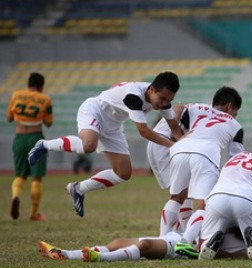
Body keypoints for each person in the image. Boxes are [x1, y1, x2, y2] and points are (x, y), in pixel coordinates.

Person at [27, 72, 183, 217]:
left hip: (113, 125)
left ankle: (79, 189)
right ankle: (45, 145)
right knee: (89, 146)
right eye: (162, 98)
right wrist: (173, 145)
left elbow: (174, 127)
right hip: (95, 111)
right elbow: (144, 131)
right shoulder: (134, 95)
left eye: (168, 100)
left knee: (123, 173)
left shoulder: (163, 101)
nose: (164, 103)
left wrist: (185, 143)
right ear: (151, 89)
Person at [162, 86, 244, 237]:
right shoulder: (235, 125)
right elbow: (236, 157)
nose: (235, 116)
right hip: (206, 153)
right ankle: (187, 242)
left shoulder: (195, 107)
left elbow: (176, 117)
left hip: (180, 149)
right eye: (235, 112)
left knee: (177, 197)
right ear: (230, 106)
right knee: (204, 203)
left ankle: (164, 238)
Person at [6, 72, 53, 221]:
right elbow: (48, 122)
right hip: (35, 138)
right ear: (41, 86)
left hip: (19, 137)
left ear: (28, 84)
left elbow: (9, 118)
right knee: (36, 178)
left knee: (20, 175)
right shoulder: (45, 99)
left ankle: (15, 196)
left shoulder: (16, 95)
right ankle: (34, 213)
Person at [146, 105, 193, 235]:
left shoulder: (198, 110)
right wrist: (177, 135)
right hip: (163, 144)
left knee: (186, 192)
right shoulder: (203, 113)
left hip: (159, 142)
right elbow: (178, 108)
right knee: (180, 193)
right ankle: (165, 237)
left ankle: (181, 233)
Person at [37, 231, 183, 262]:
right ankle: (64, 254)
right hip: (174, 236)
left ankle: (100, 257)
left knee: (145, 245)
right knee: (117, 243)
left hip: (186, 246)